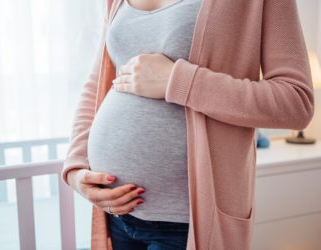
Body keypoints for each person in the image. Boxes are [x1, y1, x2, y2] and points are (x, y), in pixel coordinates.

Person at [61, 0, 314, 249]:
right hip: (117, 214)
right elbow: (98, 83)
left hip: (187, 223)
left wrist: (179, 81)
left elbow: (296, 101)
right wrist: (76, 168)